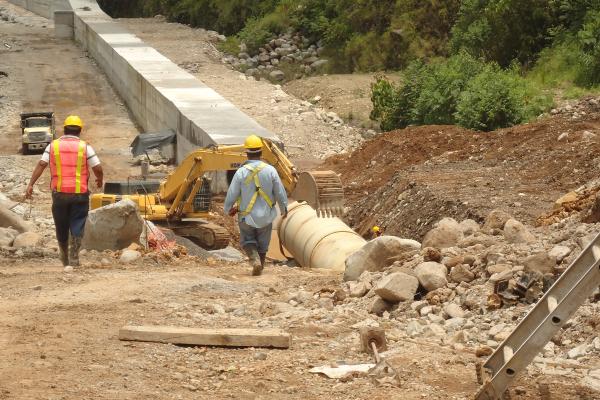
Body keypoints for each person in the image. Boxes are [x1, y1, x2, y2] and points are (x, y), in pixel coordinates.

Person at [25, 115, 103, 267]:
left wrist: (31, 184)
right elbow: (97, 167)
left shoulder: (53, 146)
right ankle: (74, 256)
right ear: (80, 130)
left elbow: (42, 164)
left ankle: (64, 255)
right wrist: (100, 179)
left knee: (61, 224)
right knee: (78, 222)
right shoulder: (85, 146)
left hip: (59, 193)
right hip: (80, 193)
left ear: (64, 129)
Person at [224, 135, 288, 276]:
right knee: (263, 244)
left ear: (246, 152)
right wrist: (284, 208)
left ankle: (255, 261)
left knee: (248, 240)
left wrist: (228, 208)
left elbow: (232, 193)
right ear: (261, 152)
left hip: (246, 216)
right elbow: (280, 191)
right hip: (266, 216)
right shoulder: (271, 170)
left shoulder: (241, 172)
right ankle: (261, 266)